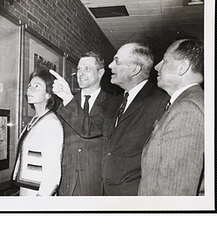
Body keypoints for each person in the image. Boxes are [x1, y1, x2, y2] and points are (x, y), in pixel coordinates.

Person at [51, 41, 169, 196]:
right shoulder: (118, 102)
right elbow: (91, 128)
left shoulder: (160, 102)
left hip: (131, 196)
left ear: (134, 69)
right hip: (104, 191)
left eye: (117, 61)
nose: (111, 66)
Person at [138, 38, 204, 196]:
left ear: (182, 67)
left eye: (165, 60)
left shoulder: (188, 110)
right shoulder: (186, 103)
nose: (157, 66)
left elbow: (175, 192)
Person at [51, 51, 112, 196]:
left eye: (87, 69)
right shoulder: (66, 103)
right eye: (78, 69)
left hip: (96, 184)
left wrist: (67, 97)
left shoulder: (112, 103)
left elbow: (91, 129)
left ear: (101, 72)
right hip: (66, 182)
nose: (81, 73)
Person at [12, 67, 63, 196]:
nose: (30, 89)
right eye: (30, 85)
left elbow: (52, 171)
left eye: (37, 86)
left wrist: (41, 200)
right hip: (26, 190)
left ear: (48, 94)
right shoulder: (35, 120)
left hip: (38, 194)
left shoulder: (51, 123)